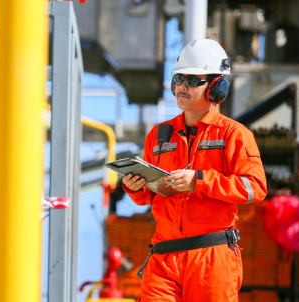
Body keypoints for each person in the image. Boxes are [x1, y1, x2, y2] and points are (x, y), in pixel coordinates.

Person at [122, 38, 267, 302]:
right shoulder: (158, 136)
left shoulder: (234, 134)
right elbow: (147, 197)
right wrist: (135, 186)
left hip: (211, 259)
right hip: (164, 258)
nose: (181, 87)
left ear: (216, 87)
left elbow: (254, 188)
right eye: (178, 79)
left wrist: (198, 181)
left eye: (192, 80)